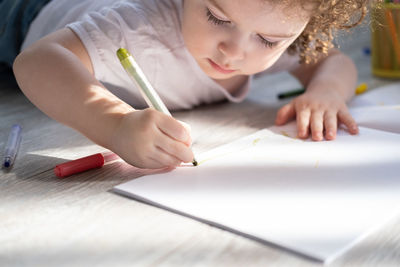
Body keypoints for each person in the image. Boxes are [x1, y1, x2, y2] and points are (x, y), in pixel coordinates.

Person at [10, 0, 368, 169]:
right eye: (216, 17)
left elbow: (336, 63)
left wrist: (326, 92)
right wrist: (114, 123)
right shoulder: (136, 28)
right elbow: (36, 62)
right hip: (23, 17)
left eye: (270, 41)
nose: (235, 51)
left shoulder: (272, 19)